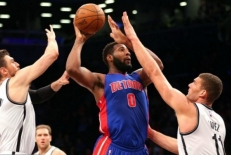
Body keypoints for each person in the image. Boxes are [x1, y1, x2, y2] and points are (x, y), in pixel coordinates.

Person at [121, 11, 226, 154]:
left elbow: (154, 72)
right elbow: (183, 148)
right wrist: (150, 133)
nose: (189, 85)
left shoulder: (190, 108)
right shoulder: (219, 121)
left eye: (195, 83)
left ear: (203, 93)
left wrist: (132, 39)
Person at [66, 15, 163, 154]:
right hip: (113, 147)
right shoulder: (101, 80)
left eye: (128, 51)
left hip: (140, 149)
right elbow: (72, 69)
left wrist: (128, 42)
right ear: (109, 58)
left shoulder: (139, 78)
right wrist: (79, 41)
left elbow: (157, 66)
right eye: (122, 50)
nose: (128, 53)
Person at [0, 25, 69, 154]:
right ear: (3, 70)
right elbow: (52, 54)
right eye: (12, 62)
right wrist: (52, 39)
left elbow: (37, 96)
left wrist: (57, 83)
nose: (17, 64)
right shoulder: (14, 82)